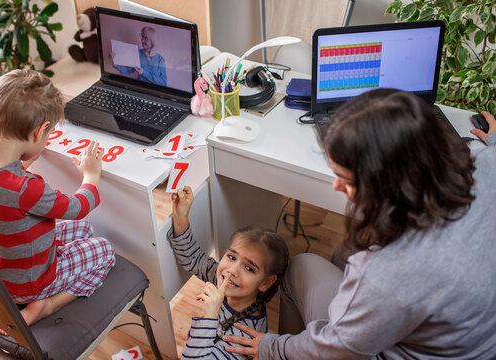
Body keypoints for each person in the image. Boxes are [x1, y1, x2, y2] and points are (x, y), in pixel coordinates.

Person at [223, 89, 496, 359]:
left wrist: (272, 348)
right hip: (479, 338)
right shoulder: (486, 163)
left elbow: (333, 346)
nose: (336, 185)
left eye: (348, 179)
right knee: (344, 253)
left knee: (299, 266)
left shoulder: (385, 273)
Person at [0, 69, 116, 334]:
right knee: (105, 250)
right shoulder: (26, 188)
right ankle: (47, 305)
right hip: (34, 281)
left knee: (85, 232)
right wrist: (91, 175)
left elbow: (5, 214)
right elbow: (78, 207)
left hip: (3, 274)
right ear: (40, 131)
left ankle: (35, 295)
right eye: (48, 136)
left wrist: (24, 161)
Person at [168, 186, 289, 359]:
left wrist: (209, 317)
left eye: (249, 268)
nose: (232, 270)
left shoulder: (244, 337)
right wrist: (181, 217)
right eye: (232, 257)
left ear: (266, 282)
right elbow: (192, 258)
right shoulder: (227, 283)